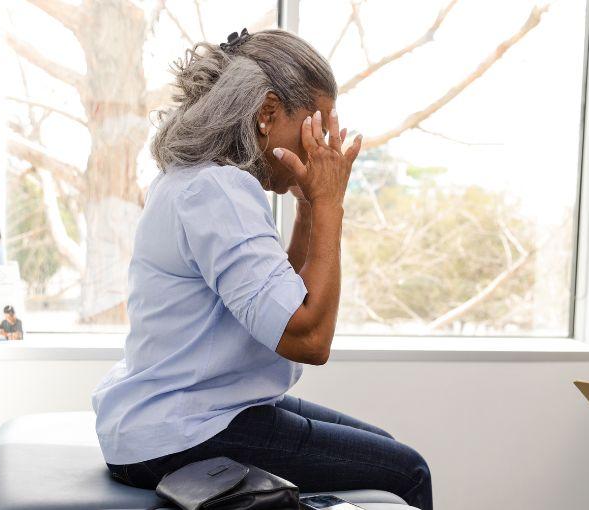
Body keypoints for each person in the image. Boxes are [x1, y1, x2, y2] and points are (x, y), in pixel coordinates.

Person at [90, 29, 432, 509]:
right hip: (184, 432)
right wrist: (330, 200)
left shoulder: (194, 179)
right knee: (407, 471)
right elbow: (307, 339)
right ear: (268, 113)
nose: (318, 149)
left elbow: (275, 306)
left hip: (186, 413)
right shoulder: (218, 191)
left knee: (385, 448)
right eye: (312, 127)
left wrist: (311, 209)